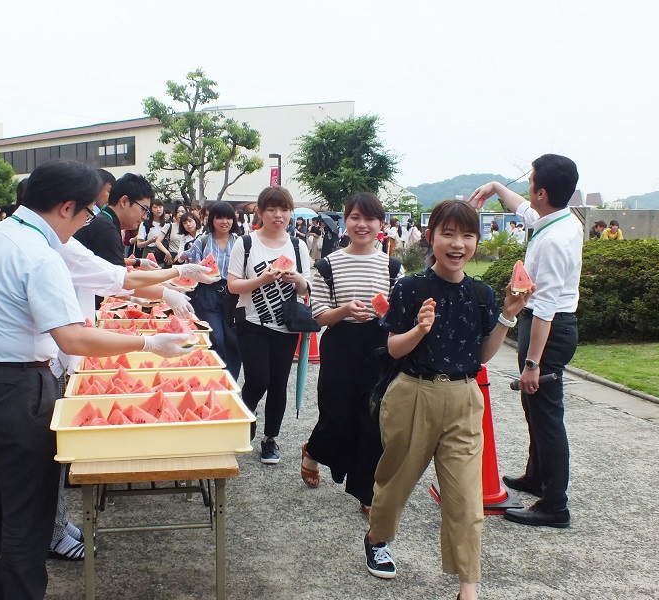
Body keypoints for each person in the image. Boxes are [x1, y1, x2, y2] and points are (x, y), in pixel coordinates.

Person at [0, 159, 195, 600]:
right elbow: (72, 337)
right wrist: (148, 344)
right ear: (66, 207)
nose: (86, 222)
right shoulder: (38, 254)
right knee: (29, 512)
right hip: (17, 389)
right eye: (86, 213)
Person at [362, 199, 531, 600]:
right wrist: (420, 329)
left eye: (467, 235)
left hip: (464, 397)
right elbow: (394, 349)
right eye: (448, 234)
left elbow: (484, 354)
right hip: (412, 393)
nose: (458, 244)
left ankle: (467, 588)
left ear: (476, 241)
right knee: (396, 480)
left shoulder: (482, 293)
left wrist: (508, 314)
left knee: (466, 500)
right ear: (431, 236)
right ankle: (377, 537)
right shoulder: (410, 287)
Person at [469, 153, 582, 530]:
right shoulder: (560, 219)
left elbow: (546, 307)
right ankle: (536, 475)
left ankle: (555, 505)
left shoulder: (552, 242)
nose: (527, 187)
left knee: (547, 417)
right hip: (548, 326)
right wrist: (496, 188)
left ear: (542, 191)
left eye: (530, 181)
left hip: (549, 330)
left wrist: (533, 364)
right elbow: (525, 212)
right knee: (535, 409)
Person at [303, 192, 400, 514]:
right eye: (355, 217)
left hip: (379, 346)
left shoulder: (392, 266)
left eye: (370, 218)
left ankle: (366, 492)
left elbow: (397, 313)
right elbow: (319, 317)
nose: (362, 224)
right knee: (336, 413)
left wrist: (386, 317)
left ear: (381, 224)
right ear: (345, 222)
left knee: (372, 421)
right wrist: (344, 310)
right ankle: (313, 450)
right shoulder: (326, 265)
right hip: (340, 344)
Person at [228, 186, 311, 464]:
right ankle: (243, 425)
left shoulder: (298, 246)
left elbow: (306, 288)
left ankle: (270, 439)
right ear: (260, 212)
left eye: (284, 209)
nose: (278, 215)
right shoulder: (246, 243)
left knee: (278, 383)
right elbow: (233, 285)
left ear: (290, 213)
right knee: (258, 379)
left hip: (286, 326)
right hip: (251, 322)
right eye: (271, 209)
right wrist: (262, 280)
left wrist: (296, 279)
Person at [73, 174, 161, 308]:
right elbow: (122, 282)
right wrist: (166, 290)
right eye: (143, 209)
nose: (144, 217)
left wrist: (139, 262)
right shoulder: (106, 229)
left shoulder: (105, 222)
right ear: (124, 201)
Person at [184, 201, 242, 380]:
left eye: (228, 217)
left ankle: (230, 379)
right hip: (208, 293)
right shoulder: (203, 241)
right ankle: (216, 377)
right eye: (220, 217)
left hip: (234, 294)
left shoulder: (240, 242)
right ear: (212, 220)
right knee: (216, 337)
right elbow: (189, 267)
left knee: (234, 341)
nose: (225, 221)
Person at [136, 198, 166, 263]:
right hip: (150, 252)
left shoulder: (167, 224)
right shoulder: (145, 224)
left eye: (160, 207)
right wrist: (150, 241)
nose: (158, 209)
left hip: (164, 253)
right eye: (155, 207)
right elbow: (139, 244)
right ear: (151, 209)